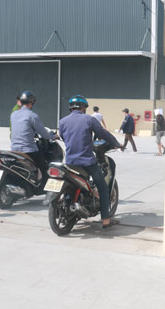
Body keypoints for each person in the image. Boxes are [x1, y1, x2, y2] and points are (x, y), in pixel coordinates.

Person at [58, 95, 123, 229]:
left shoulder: (62, 121)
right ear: (83, 107)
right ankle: (106, 219)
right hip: (86, 161)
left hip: (69, 162)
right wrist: (117, 143)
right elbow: (103, 133)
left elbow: (64, 138)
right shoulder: (89, 120)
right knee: (103, 187)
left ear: (71, 108)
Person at [10, 90, 58, 183]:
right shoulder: (32, 115)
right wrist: (53, 136)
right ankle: (43, 188)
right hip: (28, 149)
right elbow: (43, 133)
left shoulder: (13, 114)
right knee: (45, 168)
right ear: (32, 102)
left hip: (14, 149)